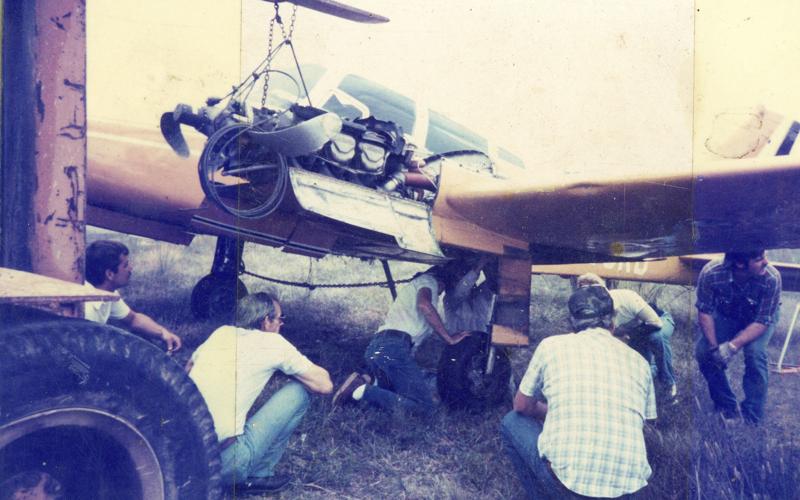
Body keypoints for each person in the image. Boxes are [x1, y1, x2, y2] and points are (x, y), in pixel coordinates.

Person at [501, 286, 656, 499]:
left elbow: (521, 406)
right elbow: (645, 423)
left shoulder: (551, 346)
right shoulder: (640, 362)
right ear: (613, 321)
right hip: (628, 490)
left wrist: (553, 411)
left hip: (571, 485)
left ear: (571, 321)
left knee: (512, 421)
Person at [186, 292, 333, 494]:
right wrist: (294, 372)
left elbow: (188, 369)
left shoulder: (222, 332)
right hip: (223, 465)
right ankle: (259, 474)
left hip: (185, 459)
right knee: (299, 392)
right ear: (266, 321)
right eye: (280, 319)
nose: (281, 325)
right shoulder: (274, 343)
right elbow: (324, 385)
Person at [332, 265, 468, 414]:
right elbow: (424, 305)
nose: (441, 293)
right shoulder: (429, 280)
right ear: (444, 280)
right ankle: (363, 391)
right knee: (425, 407)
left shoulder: (413, 289)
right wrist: (448, 337)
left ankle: (369, 381)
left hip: (380, 347)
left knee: (398, 397)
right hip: (393, 348)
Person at [694, 250, 781, 424]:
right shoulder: (711, 272)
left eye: (765, 256)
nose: (766, 262)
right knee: (704, 353)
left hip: (760, 318)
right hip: (729, 314)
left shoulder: (772, 277)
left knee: (755, 354)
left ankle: (752, 417)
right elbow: (705, 310)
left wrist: (731, 347)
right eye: (759, 259)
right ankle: (727, 408)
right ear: (740, 264)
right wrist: (714, 348)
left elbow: (763, 320)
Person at [576, 273, 677, 402]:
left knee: (656, 337)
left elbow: (656, 323)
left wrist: (625, 332)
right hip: (635, 333)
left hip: (659, 321)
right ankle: (650, 375)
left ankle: (669, 383)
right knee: (638, 369)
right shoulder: (591, 311)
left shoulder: (626, 297)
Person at [83, 240, 182, 352]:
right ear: (110, 274)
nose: (131, 268)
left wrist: (163, 333)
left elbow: (133, 319)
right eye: (125, 265)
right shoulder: (87, 308)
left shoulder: (108, 292)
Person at [443, 257, 495, 336]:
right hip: (461, 343)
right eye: (461, 276)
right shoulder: (450, 298)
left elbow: (492, 282)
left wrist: (488, 265)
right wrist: (481, 264)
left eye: (466, 273)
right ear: (452, 282)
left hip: (481, 341)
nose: (466, 277)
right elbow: (463, 288)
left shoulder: (479, 294)